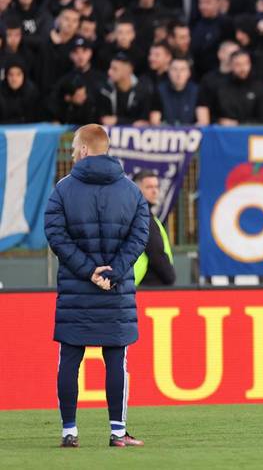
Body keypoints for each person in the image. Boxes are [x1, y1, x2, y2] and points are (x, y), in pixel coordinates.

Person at [44, 124, 149, 448]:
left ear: (86, 150)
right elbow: (140, 236)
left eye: (77, 147)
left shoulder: (63, 189)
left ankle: (69, 431)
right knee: (116, 360)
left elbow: (55, 234)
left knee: (70, 359)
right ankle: (118, 432)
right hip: (115, 292)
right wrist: (114, 272)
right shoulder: (132, 191)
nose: (75, 153)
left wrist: (89, 271)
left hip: (78, 290)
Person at [133, 170, 175, 287]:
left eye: (156, 187)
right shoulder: (143, 218)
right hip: (148, 285)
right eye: (149, 187)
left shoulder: (140, 215)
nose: (155, 191)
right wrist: (170, 277)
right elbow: (156, 253)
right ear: (137, 190)